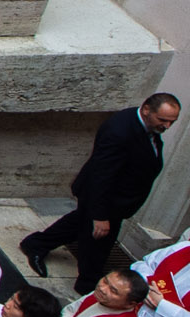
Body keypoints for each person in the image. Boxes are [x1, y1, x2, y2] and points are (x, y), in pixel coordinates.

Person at [23, 93, 178, 291]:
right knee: (98, 245)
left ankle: (35, 244)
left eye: (172, 121)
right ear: (147, 110)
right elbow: (101, 175)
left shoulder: (144, 125)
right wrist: (100, 215)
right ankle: (88, 285)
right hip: (106, 200)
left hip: (115, 200)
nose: (167, 126)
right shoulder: (120, 131)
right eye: (163, 120)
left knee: (78, 221)